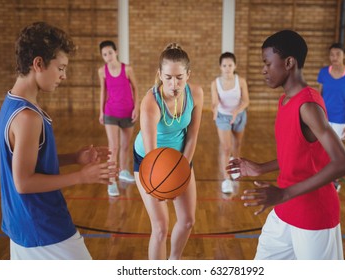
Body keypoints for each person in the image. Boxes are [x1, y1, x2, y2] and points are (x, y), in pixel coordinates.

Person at [227, 30, 345, 260]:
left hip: (313, 215)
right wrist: (260, 168)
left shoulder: (308, 106)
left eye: (267, 63)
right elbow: (300, 154)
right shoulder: (285, 100)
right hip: (284, 210)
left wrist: (284, 194)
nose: (263, 69)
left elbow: (343, 163)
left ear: (288, 63)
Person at [0, 22, 117, 260]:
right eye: (61, 68)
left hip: (21, 226)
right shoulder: (28, 117)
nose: (64, 76)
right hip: (45, 228)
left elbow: (28, 161)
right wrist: (82, 176)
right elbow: (23, 182)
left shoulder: (11, 103)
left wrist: (74, 158)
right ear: (38, 64)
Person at [133, 43, 203, 259]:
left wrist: (181, 168)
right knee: (161, 228)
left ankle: (174, 262)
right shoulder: (150, 103)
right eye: (169, 77)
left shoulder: (196, 94)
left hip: (180, 157)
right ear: (160, 75)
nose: (174, 84)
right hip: (149, 161)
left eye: (180, 77)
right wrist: (158, 186)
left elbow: (192, 136)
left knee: (188, 220)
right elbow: (152, 153)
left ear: (188, 74)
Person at [98, 40, 139, 197]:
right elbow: (103, 91)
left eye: (110, 52)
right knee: (113, 148)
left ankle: (123, 171)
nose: (108, 56)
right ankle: (111, 182)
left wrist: (136, 107)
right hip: (111, 113)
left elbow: (135, 88)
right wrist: (101, 112)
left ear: (116, 52)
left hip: (128, 112)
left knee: (125, 146)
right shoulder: (102, 71)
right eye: (104, 54)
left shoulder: (127, 69)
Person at [317, 43, 345, 192]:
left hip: (341, 120)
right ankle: (323, 180)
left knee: (335, 153)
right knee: (322, 151)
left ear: (344, 55)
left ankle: (334, 181)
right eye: (332, 54)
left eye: (338, 54)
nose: (334, 57)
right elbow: (318, 97)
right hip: (323, 119)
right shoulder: (323, 73)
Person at [211, 52, 249, 194]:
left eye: (230, 65)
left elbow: (246, 101)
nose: (227, 68)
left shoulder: (241, 81)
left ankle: (234, 168)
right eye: (224, 65)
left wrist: (236, 112)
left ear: (235, 66)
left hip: (239, 115)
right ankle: (226, 180)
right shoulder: (215, 83)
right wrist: (214, 109)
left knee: (237, 146)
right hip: (223, 117)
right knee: (226, 148)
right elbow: (215, 102)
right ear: (220, 67)